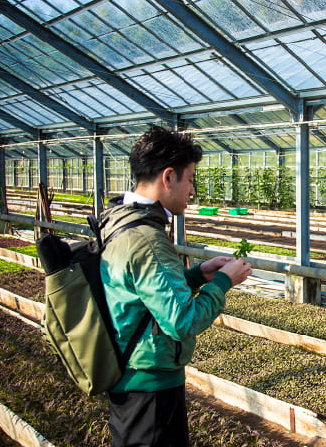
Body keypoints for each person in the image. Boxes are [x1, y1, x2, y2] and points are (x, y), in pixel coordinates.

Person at [100, 126, 252, 447]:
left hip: (129, 375)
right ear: (168, 177)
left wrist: (198, 275)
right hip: (149, 389)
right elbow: (183, 321)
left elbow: (146, 293)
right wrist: (224, 282)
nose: (192, 190)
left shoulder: (121, 220)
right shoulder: (148, 238)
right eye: (190, 179)